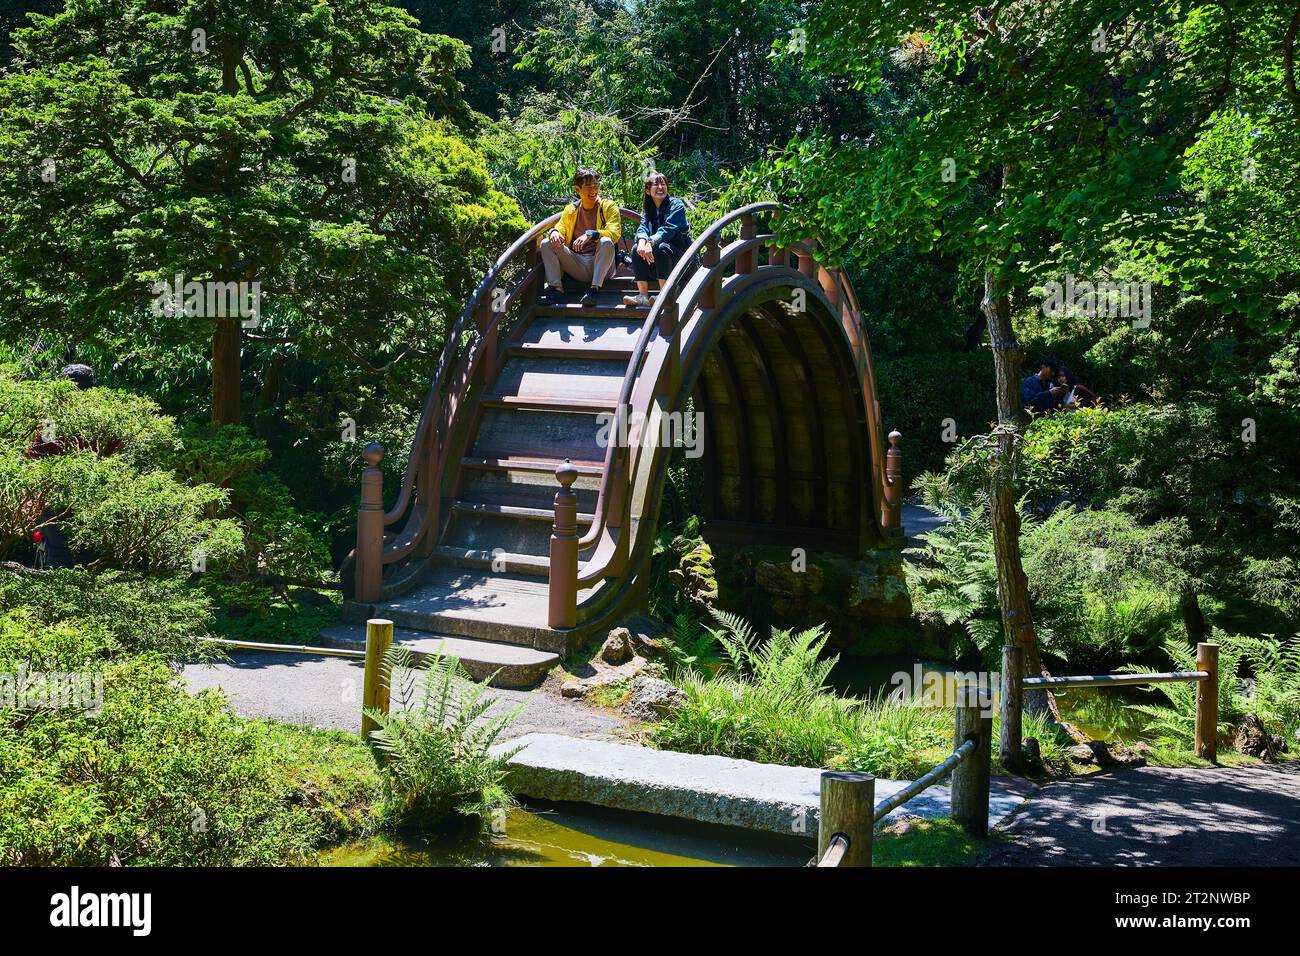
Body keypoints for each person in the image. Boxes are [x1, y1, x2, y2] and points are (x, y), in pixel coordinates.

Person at [538, 167, 621, 307]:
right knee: (546, 243)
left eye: (596, 185)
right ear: (578, 189)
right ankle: (556, 290)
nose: (593, 190)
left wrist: (592, 234)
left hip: (603, 267)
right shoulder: (571, 210)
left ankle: (593, 291)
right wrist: (554, 232)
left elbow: (615, 233)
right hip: (579, 264)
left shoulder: (608, 206)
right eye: (588, 186)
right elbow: (561, 227)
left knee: (606, 241)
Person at [624, 172, 694, 307]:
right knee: (636, 248)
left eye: (663, 184)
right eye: (656, 184)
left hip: (683, 261)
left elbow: (668, 229)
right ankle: (643, 296)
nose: (661, 187)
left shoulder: (676, 205)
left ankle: (666, 294)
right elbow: (642, 228)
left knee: (661, 248)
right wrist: (642, 242)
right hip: (661, 264)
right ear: (647, 190)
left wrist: (650, 242)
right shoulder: (648, 209)